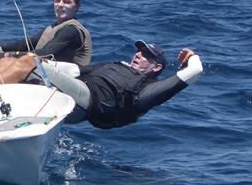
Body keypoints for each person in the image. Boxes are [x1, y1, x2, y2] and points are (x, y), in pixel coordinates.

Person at [39, 41, 204, 129]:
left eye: (146, 54)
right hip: (72, 92)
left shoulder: (148, 90)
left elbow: (196, 70)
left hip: (86, 102)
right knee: (28, 67)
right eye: (139, 51)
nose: (138, 54)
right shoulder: (117, 66)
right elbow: (74, 70)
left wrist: (191, 56)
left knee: (27, 64)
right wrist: (40, 62)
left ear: (156, 67)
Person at [0, 0, 92, 65]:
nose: (60, 5)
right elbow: (24, 44)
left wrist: (2, 56)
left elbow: (46, 53)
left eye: (67, 2)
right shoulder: (53, 28)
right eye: (57, 0)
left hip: (70, 80)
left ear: (77, 7)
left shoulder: (72, 30)